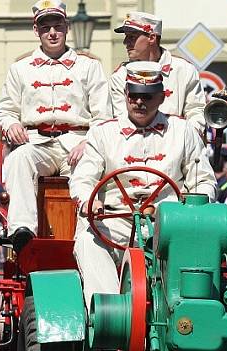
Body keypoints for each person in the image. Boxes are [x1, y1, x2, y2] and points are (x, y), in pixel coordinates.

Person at [70, 61, 216, 305]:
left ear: (161, 97)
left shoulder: (182, 131)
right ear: (126, 95)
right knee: (87, 241)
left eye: (147, 96)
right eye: (135, 95)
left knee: (195, 247)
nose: (139, 102)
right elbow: (82, 179)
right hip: (114, 221)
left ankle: (181, 312)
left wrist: (194, 208)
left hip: (168, 224)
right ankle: (109, 314)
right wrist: (88, 203)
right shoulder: (102, 133)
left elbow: (203, 181)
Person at [0, 0, 112, 252]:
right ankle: (22, 230)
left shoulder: (89, 66)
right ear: (36, 30)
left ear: (67, 27)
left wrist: (88, 142)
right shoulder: (20, 69)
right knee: (19, 159)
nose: (52, 32)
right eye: (45, 27)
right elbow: (4, 112)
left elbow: (105, 115)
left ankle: (86, 240)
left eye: (57, 26)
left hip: (79, 143)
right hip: (37, 143)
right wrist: (12, 124)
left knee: (88, 170)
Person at [110, 12, 205, 134]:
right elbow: (122, 119)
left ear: (152, 38)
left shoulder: (184, 69)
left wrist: (187, 137)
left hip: (179, 143)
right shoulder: (120, 75)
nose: (125, 42)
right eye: (126, 36)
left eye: (132, 37)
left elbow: (196, 110)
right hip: (137, 145)